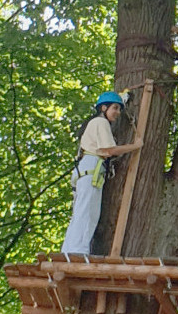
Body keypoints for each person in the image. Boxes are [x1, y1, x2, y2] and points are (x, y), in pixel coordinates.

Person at [61, 90, 143, 255]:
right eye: (114, 108)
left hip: (87, 170)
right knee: (87, 214)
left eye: (119, 109)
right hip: (91, 170)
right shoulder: (100, 123)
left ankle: (69, 251)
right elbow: (108, 150)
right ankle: (77, 252)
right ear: (103, 108)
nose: (118, 113)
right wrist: (135, 146)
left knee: (82, 213)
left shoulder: (95, 123)